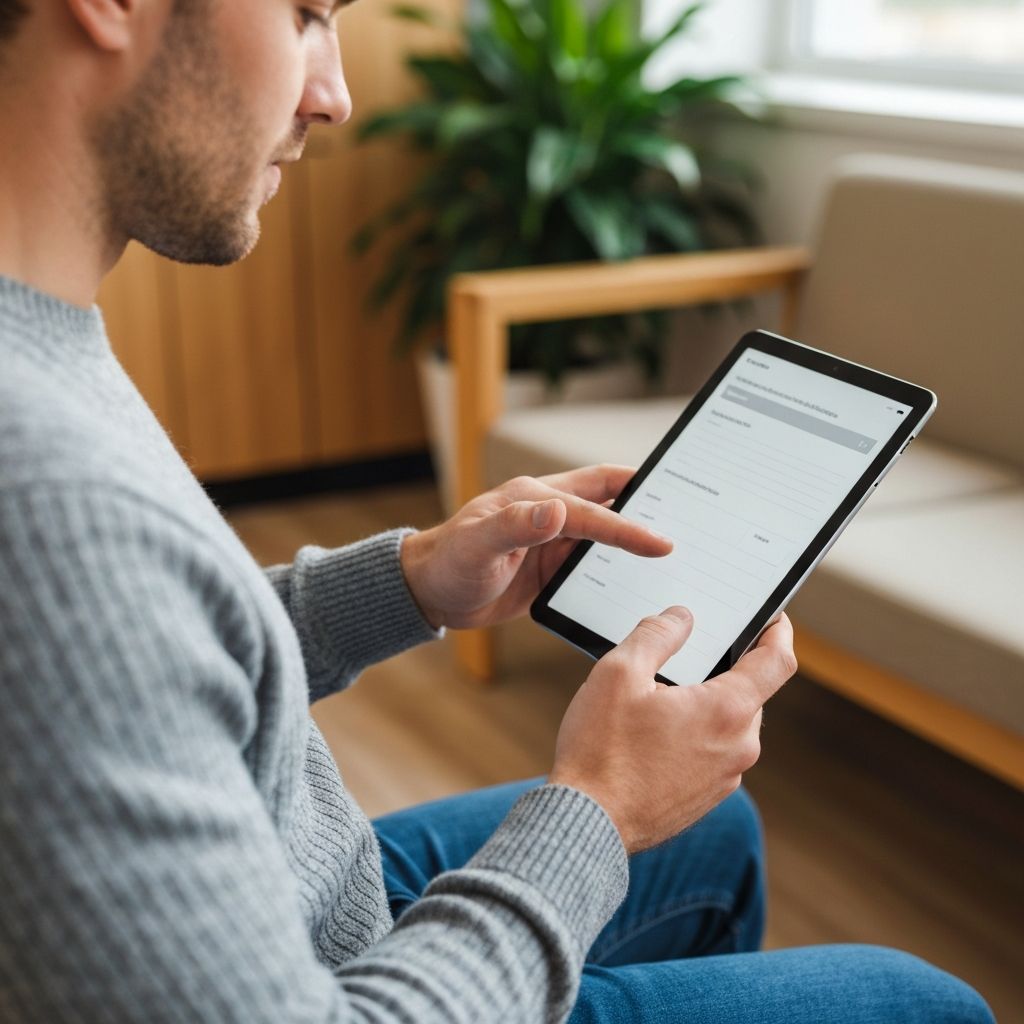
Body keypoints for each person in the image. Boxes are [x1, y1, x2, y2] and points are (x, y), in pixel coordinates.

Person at [0, 2, 995, 1022]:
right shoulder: (46, 504)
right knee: (926, 1002)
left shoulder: (41, 338)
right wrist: (596, 807)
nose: (334, 94)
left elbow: (148, 644)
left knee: (715, 832)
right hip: (335, 981)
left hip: (290, 882)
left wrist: (407, 578)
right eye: (304, 14)